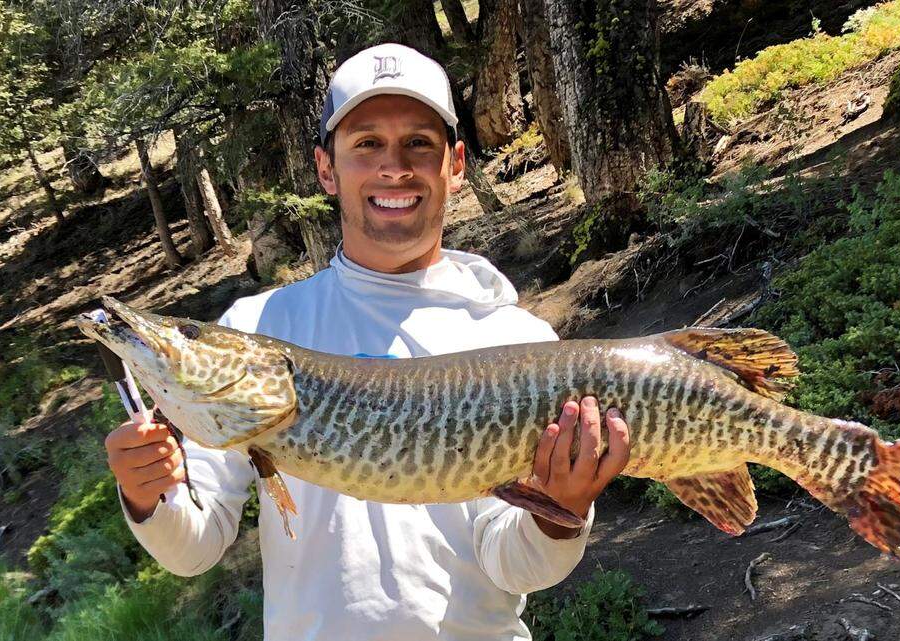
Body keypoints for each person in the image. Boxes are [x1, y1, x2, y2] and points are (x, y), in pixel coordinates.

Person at [104, 42, 632, 641]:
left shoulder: (515, 338)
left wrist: (562, 513)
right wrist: (147, 493)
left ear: (455, 165)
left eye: (418, 144)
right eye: (366, 144)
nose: (394, 167)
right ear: (327, 169)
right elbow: (192, 549)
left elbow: (514, 564)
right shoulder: (258, 327)